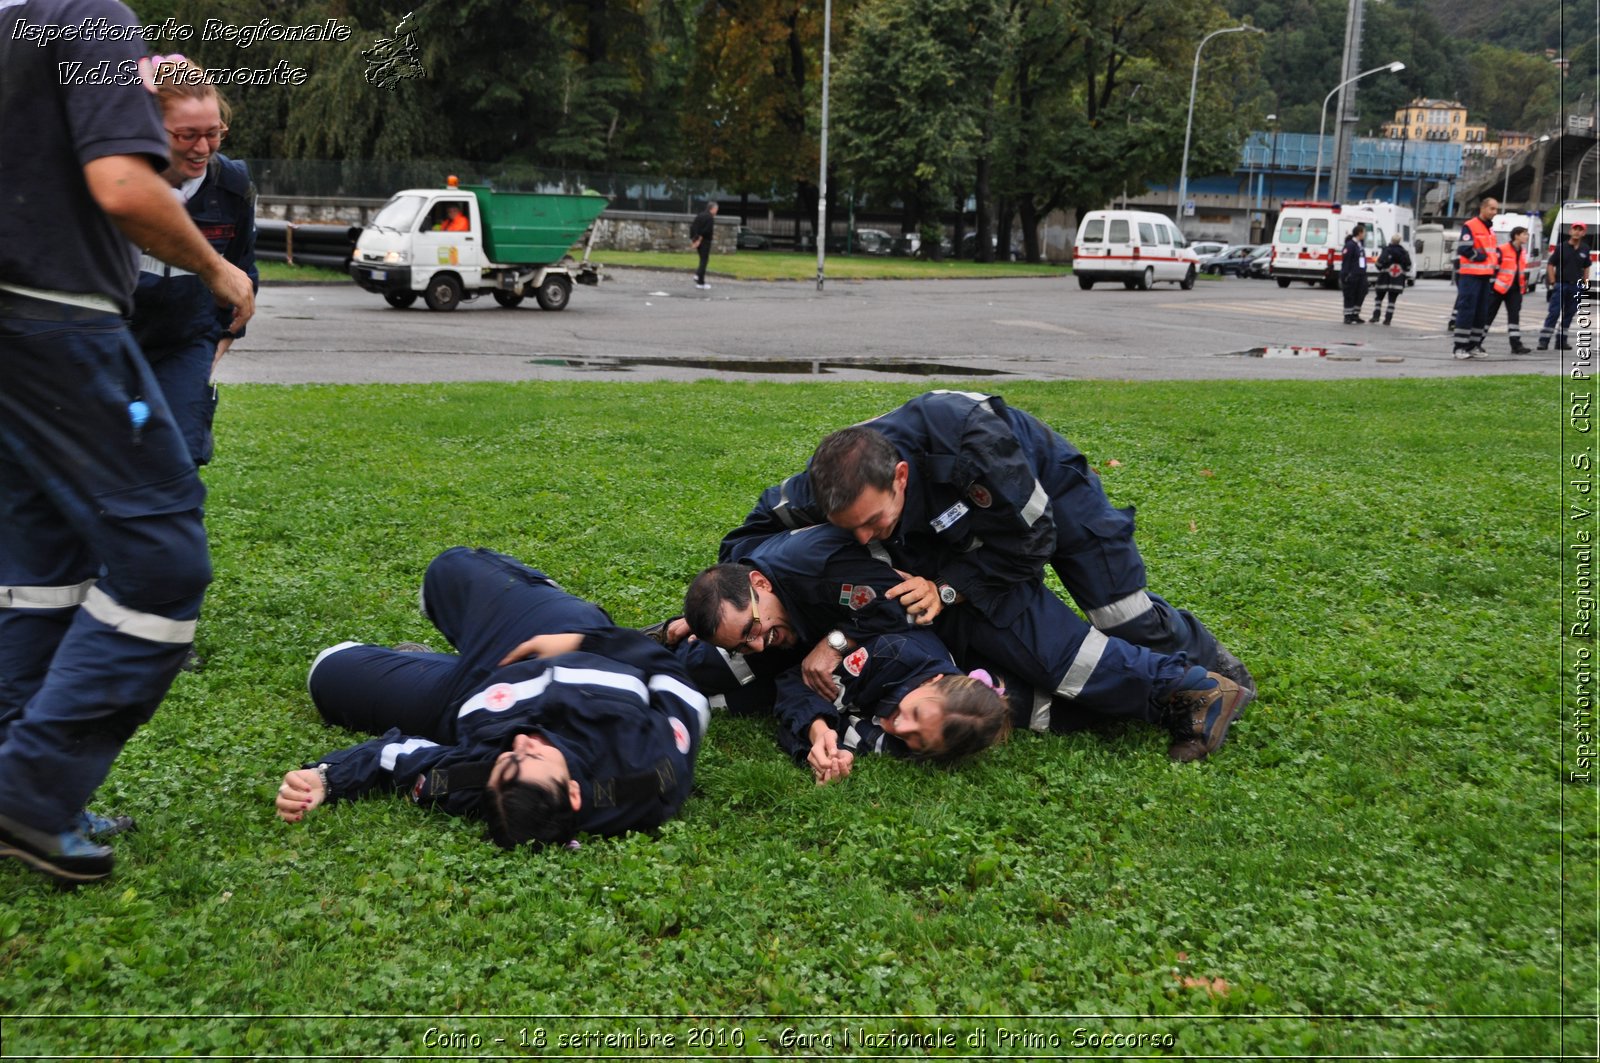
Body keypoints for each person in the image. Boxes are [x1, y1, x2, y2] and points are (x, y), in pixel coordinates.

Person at [0, 0, 255, 886]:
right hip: (59, 320)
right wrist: (219, 268)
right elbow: (122, 185)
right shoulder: (88, 17)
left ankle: (20, 781)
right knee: (163, 556)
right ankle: (30, 792)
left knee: (41, 560)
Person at [720, 392, 1253, 693]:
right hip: (961, 533)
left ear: (900, 477)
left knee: (1119, 612)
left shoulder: (972, 445)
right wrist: (735, 584)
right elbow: (757, 526)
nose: (861, 539)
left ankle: (1214, 664)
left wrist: (948, 588)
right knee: (1010, 634)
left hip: (1045, 494)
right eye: (848, 528)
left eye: (872, 521)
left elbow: (1035, 540)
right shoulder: (830, 482)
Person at [685, 521, 1247, 766]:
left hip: (968, 601)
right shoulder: (759, 588)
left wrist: (833, 642)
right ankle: (1182, 687)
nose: (758, 643)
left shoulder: (819, 569)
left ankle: (1197, 683)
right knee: (1044, 701)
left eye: (755, 630)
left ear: (760, 585)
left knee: (1066, 663)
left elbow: (894, 610)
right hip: (935, 635)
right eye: (745, 640)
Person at [277, 547, 708, 846]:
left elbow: (397, 758)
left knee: (327, 672)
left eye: (507, 760)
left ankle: (434, 663)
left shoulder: (483, 782)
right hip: (562, 639)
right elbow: (676, 680)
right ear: (575, 793)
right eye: (532, 757)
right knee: (446, 571)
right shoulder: (652, 771)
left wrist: (327, 778)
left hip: (471, 694)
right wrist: (582, 641)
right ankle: (540, 596)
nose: (520, 743)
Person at [129, 57, 258, 469]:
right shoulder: (117, 181)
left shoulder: (233, 185)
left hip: (186, 343)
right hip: (110, 340)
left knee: (179, 461)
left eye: (213, 132)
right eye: (187, 135)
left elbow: (241, 276)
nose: (202, 148)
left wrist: (212, 349)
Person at [1451, 197, 1500, 358]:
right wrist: (1479, 257)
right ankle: (1460, 347)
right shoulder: (1471, 225)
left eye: (1496, 209)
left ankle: (1473, 345)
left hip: (1485, 276)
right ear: (1483, 208)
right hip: (1471, 275)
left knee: (1481, 312)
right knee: (1467, 310)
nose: (1495, 212)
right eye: (1492, 209)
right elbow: (1464, 248)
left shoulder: (1489, 229)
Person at [1539, 223, 1592, 352]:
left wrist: (1585, 283)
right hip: (1561, 284)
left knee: (1569, 314)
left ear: (1584, 233)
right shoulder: (1561, 247)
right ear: (1570, 231)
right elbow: (1550, 264)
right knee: (1554, 313)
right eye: (1575, 229)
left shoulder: (1585, 249)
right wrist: (1552, 281)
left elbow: (1586, 267)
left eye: (1580, 230)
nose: (1577, 232)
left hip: (1576, 286)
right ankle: (1543, 341)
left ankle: (1561, 342)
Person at [1484, 226, 1533, 354]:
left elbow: (1520, 272)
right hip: (1498, 289)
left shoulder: (1522, 252)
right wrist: (1492, 286)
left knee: (1514, 318)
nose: (1526, 237)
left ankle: (1516, 345)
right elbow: (1493, 268)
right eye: (1524, 234)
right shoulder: (1502, 249)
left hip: (1515, 290)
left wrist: (1523, 288)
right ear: (1516, 235)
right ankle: (1476, 342)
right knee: (1488, 316)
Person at [1369, 232, 1411, 326]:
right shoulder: (1404, 252)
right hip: (1397, 281)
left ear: (1391, 240)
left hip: (1384, 279)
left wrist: (1384, 267)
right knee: (1392, 302)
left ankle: (1376, 316)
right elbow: (1408, 267)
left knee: (1379, 299)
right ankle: (1388, 319)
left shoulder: (1386, 250)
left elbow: (1378, 264)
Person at [1340, 224, 1369, 325]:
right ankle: (1348, 315)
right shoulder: (1350, 245)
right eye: (1364, 232)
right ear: (1359, 233)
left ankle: (1355, 314)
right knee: (1350, 295)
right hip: (1352, 274)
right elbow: (1346, 261)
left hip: (1361, 274)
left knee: (1360, 293)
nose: (1365, 234)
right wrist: (1345, 275)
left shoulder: (1359, 244)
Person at [690, 201, 718, 290]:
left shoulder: (700, 215)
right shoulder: (710, 218)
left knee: (702, 259)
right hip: (704, 241)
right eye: (716, 209)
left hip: (697, 240)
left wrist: (694, 239)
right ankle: (699, 278)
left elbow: (693, 227)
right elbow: (707, 230)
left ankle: (699, 280)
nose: (716, 211)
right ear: (712, 209)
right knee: (704, 260)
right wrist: (700, 238)